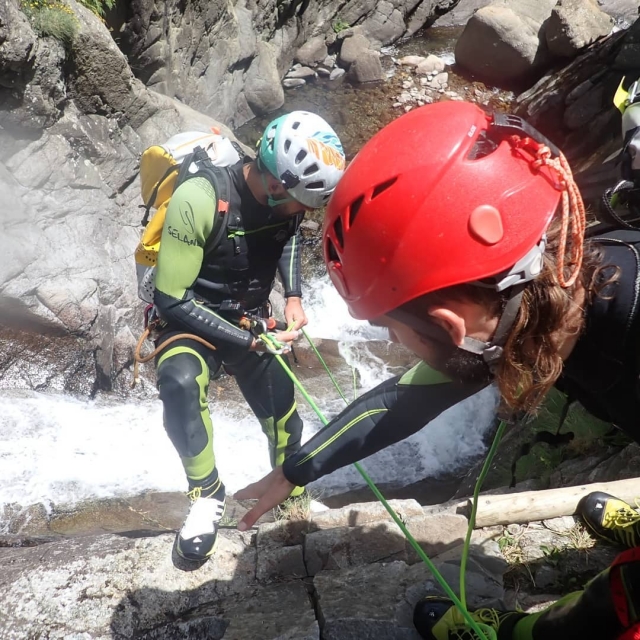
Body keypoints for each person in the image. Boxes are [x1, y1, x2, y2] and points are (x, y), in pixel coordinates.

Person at [234, 100, 640, 639]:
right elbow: (404, 401)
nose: (388, 340)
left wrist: (537, 631)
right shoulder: (548, 290)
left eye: (389, 327)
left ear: (451, 327)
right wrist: (297, 469)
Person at [151, 110, 345, 562]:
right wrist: (253, 342)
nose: (306, 211)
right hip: (191, 320)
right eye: (302, 200)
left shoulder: (284, 203)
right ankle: (206, 495)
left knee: (284, 413)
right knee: (180, 384)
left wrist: (293, 296)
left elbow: (291, 234)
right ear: (276, 185)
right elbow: (171, 300)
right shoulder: (200, 198)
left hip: (251, 319)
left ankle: (290, 496)